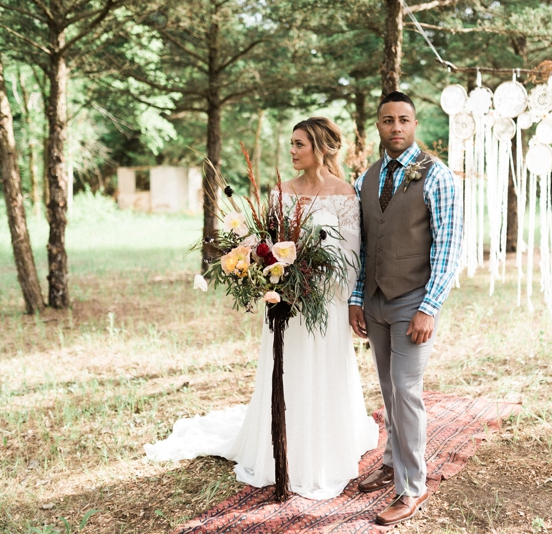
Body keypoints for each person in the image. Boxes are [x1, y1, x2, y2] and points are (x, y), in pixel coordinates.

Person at [145, 117, 379, 500]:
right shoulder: (279, 194)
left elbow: (352, 256)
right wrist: (270, 274)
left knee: (322, 369)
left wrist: (329, 290)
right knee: (285, 369)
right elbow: (268, 245)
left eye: (299, 144)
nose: (291, 151)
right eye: (291, 143)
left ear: (320, 148)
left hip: (325, 301)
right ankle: (279, 449)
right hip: (285, 300)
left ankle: (321, 449)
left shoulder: (344, 194)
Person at [348, 91, 463, 526]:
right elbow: (363, 246)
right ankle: (394, 461)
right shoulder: (367, 178)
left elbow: (449, 250)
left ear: (415, 124)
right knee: (387, 388)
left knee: (406, 391)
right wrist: (357, 298)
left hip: (414, 300)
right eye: (387, 120)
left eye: (403, 119)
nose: (395, 127)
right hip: (374, 301)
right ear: (378, 126)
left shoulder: (438, 176)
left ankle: (413, 488)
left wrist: (429, 307)